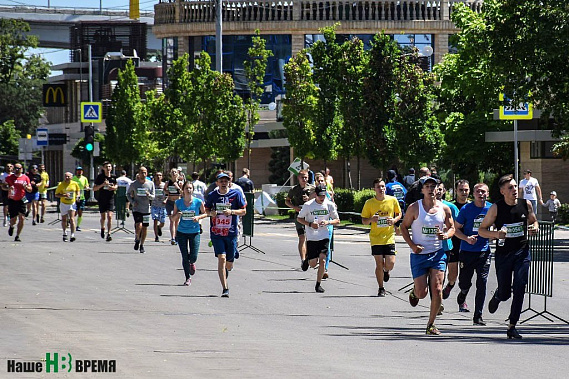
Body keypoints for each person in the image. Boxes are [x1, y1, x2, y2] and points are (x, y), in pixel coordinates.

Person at [478, 174, 538, 339]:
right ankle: (499, 295)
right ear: (502, 191)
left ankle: (512, 325)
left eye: (515, 187)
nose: (514, 190)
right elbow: (482, 230)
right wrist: (497, 234)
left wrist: (534, 228)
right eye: (510, 188)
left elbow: (534, 221)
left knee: (520, 286)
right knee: (506, 293)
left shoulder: (525, 204)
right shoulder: (496, 208)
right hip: (504, 255)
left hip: (522, 251)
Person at [400, 176, 455, 335]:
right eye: (428, 186)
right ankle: (415, 292)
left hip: (437, 254)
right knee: (422, 293)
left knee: (437, 288)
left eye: (434, 186)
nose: (431, 189)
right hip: (419, 254)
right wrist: (412, 245)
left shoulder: (444, 209)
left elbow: (451, 227)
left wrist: (446, 235)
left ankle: (431, 324)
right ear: (422, 190)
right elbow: (403, 227)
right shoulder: (414, 208)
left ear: (438, 189)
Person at [453, 183, 492, 325]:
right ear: (473, 194)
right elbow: (455, 229)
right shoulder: (466, 209)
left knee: (482, 282)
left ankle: (478, 315)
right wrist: (466, 238)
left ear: (487, 193)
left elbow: (499, 225)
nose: (480, 194)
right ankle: (463, 293)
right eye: (478, 191)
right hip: (467, 251)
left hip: (484, 252)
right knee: (465, 282)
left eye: (483, 192)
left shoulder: (491, 208)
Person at [205, 172, 247, 297]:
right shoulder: (213, 195)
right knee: (221, 258)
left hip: (231, 233)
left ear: (229, 182)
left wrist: (232, 211)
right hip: (217, 233)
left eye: (226, 181)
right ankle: (225, 288)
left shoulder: (236, 194)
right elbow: (206, 209)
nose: (224, 183)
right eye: (221, 181)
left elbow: (244, 210)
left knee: (229, 262)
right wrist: (211, 213)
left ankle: (230, 263)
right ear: (217, 183)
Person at [361, 178, 402, 297]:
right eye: (379, 187)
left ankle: (386, 271)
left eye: (383, 186)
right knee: (379, 263)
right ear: (374, 189)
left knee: (390, 263)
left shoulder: (392, 200)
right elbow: (363, 220)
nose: (381, 189)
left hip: (389, 236)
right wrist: (371, 220)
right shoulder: (369, 203)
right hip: (375, 238)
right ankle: (381, 288)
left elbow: (399, 214)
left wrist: (394, 220)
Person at [297, 184, 340, 293]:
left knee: (323, 260)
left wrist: (328, 222)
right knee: (313, 264)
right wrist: (310, 224)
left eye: (323, 195)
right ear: (315, 194)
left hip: (324, 236)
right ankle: (307, 259)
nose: (322, 198)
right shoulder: (308, 205)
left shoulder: (329, 205)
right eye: (320, 195)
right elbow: (299, 219)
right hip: (312, 237)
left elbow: (337, 220)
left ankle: (318, 284)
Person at [442, 179, 470, 304]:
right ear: (456, 191)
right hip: (454, 243)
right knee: (453, 274)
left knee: (466, 277)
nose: (463, 192)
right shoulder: (450, 206)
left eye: (466, 190)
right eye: (461, 190)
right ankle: (450, 285)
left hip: (468, 244)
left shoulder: (473, 206)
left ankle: (463, 299)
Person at [174, 181, 207, 286]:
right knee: (184, 256)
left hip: (194, 231)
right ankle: (187, 277)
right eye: (186, 188)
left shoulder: (198, 202)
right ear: (183, 190)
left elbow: (205, 213)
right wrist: (178, 215)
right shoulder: (178, 203)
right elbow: (172, 218)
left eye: (190, 188)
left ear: (193, 190)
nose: (188, 190)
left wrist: (198, 218)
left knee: (193, 256)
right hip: (182, 232)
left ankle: (191, 262)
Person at [434, 182, 459, 314]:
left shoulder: (450, 207)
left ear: (444, 191)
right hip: (431, 247)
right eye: (435, 189)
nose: (437, 191)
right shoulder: (423, 207)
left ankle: (447, 288)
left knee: (452, 275)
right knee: (438, 278)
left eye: (440, 189)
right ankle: (438, 303)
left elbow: (457, 226)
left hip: (447, 246)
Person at [285, 169, 316, 271]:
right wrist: (294, 207)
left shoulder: (312, 188)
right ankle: (303, 260)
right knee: (301, 237)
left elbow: (318, 199)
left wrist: (309, 199)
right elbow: (287, 201)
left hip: (310, 215)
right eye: (302, 177)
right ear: (298, 178)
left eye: (306, 177)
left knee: (310, 237)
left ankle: (308, 256)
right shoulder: (294, 189)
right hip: (299, 216)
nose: (304, 179)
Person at [127, 166, 155, 254]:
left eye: (145, 172)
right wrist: (132, 202)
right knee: (138, 225)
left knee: (145, 228)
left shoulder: (150, 184)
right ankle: (137, 238)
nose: (143, 174)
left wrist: (149, 195)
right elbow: (128, 194)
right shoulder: (134, 184)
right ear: (138, 173)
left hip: (146, 209)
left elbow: (153, 196)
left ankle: (142, 245)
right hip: (137, 208)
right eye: (142, 172)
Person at [2, 163, 32, 241]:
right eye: (16, 168)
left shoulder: (25, 177)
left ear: (22, 169)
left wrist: (26, 187)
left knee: (22, 218)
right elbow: (3, 186)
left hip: (22, 199)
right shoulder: (9, 178)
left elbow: (30, 189)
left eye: (19, 168)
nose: (17, 169)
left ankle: (18, 235)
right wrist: (8, 188)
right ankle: (11, 226)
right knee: (13, 219)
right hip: (12, 199)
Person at [314, 172, 336, 279]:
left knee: (326, 246)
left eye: (322, 180)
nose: (321, 182)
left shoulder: (328, 194)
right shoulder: (313, 194)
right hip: (315, 225)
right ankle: (316, 260)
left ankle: (325, 268)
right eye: (318, 180)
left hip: (328, 224)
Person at [93, 162, 118, 242]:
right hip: (102, 198)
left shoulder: (113, 176)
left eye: (109, 166)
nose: (108, 168)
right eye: (106, 167)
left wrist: (113, 188)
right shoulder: (100, 177)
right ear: (103, 168)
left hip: (110, 198)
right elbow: (94, 188)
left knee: (110, 216)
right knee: (103, 217)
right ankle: (102, 228)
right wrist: (103, 184)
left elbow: (116, 186)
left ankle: (109, 233)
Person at [55, 172, 81, 242]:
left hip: (71, 203)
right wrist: (64, 195)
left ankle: (72, 235)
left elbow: (78, 191)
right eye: (66, 176)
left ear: (71, 177)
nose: (67, 178)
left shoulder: (74, 183)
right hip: (64, 203)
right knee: (64, 219)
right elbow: (56, 194)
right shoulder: (61, 184)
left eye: (68, 177)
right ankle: (64, 233)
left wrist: (78, 196)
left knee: (72, 219)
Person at [165, 168, 184, 245]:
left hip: (177, 203)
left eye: (175, 172)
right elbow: (165, 190)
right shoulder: (168, 182)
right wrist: (167, 192)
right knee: (171, 220)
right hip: (170, 202)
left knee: (177, 221)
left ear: (177, 174)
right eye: (172, 172)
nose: (173, 173)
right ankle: (172, 237)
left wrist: (178, 188)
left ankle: (176, 236)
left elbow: (183, 193)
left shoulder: (180, 183)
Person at [385, 169, 407, 235]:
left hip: (392, 207)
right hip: (401, 205)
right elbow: (405, 193)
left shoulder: (387, 186)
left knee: (393, 222)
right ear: (395, 176)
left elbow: (384, 197)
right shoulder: (400, 185)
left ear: (387, 177)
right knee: (399, 222)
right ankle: (398, 233)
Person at [72, 166, 90, 231]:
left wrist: (87, 187)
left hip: (82, 197)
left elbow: (87, 186)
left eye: (80, 171)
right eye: (78, 170)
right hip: (74, 197)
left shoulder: (84, 178)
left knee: (80, 211)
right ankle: (71, 221)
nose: (79, 172)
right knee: (75, 211)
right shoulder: (73, 178)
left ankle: (78, 225)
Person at [151, 172, 167, 242]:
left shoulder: (164, 185)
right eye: (157, 175)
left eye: (160, 175)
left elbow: (168, 194)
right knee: (155, 220)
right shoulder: (152, 185)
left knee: (163, 222)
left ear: (162, 177)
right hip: (154, 205)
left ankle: (159, 227)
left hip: (162, 205)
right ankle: (156, 236)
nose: (158, 177)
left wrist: (166, 200)